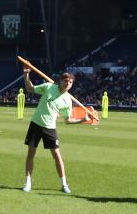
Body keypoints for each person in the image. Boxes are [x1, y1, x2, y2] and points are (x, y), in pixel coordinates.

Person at [21, 65, 87, 194]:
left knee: (57, 155)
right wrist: (26, 75)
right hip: (36, 124)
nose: (68, 83)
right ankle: (28, 182)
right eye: (66, 81)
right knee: (31, 153)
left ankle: (64, 184)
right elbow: (30, 88)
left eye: (70, 82)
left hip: (50, 128)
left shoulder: (68, 100)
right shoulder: (48, 87)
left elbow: (67, 120)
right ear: (61, 81)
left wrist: (82, 120)